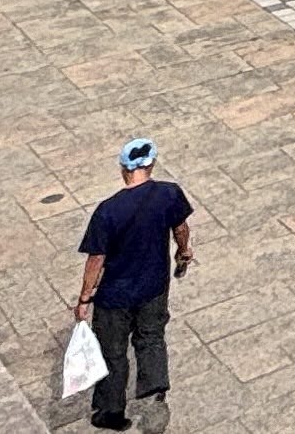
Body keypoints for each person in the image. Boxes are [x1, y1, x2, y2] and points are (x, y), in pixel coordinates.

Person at [72, 136, 194, 430]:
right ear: (151, 165)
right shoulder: (168, 194)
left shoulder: (108, 211)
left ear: (123, 168)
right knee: (151, 335)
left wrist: (85, 298)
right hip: (154, 285)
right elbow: (181, 228)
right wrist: (183, 250)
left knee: (113, 352)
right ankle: (155, 386)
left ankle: (112, 412)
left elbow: (96, 259)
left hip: (115, 296)